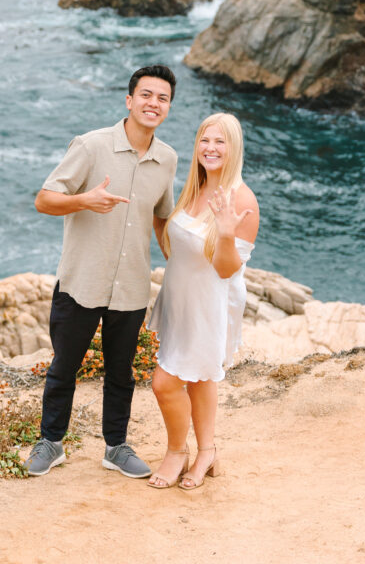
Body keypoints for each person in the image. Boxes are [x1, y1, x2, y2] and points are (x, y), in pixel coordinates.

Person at [26, 65, 177, 479]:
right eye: (146, 95)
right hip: (81, 281)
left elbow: (161, 217)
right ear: (129, 101)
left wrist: (180, 260)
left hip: (130, 285)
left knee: (121, 374)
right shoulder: (91, 146)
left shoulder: (167, 159)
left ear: (168, 108)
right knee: (63, 368)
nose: (153, 103)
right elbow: (44, 199)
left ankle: (116, 448)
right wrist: (85, 200)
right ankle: (50, 443)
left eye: (162, 98)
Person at [147, 112, 259, 489]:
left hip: (209, 306)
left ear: (234, 148)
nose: (210, 148)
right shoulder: (195, 186)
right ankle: (207, 451)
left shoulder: (241, 199)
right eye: (205, 140)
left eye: (220, 142)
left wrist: (226, 235)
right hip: (181, 301)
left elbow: (227, 269)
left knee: (164, 384)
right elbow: (176, 245)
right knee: (199, 378)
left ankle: (177, 451)